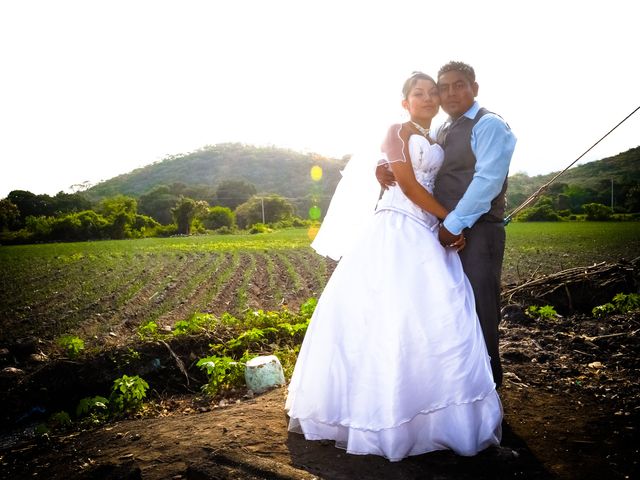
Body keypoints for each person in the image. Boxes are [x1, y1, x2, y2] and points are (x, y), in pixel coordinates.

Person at [285, 72, 503, 462]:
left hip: (430, 231)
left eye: (432, 93)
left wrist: (443, 221)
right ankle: (381, 412)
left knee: (436, 315)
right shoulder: (395, 131)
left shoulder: (440, 137)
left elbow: (436, 177)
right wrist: (448, 217)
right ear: (405, 102)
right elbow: (407, 183)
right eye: (418, 93)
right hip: (398, 226)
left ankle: (438, 414)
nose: (428, 98)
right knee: (388, 313)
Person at [376, 61, 517, 388]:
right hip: (437, 231)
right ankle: (450, 387)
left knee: (480, 309)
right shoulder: (441, 130)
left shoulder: (490, 125)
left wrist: (451, 223)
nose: (450, 93)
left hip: (477, 229)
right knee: (450, 310)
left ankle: (488, 391)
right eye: (445, 87)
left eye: (459, 85)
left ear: (475, 88)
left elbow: (487, 182)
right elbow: (415, 166)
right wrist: (383, 168)